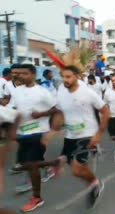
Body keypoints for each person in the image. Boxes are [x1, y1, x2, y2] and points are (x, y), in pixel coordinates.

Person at [55, 65, 109, 209]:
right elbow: (60, 112)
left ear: (77, 76)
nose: (65, 80)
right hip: (70, 135)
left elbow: (105, 111)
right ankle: (93, 183)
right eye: (63, 76)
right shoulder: (61, 92)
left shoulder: (88, 93)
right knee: (75, 168)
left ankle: (96, 183)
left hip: (87, 134)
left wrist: (98, 134)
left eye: (68, 77)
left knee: (77, 169)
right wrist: (52, 131)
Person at [11, 64, 59, 212]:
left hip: (38, 132)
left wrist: (41, 114)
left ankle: (37, 198)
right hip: (22, 132)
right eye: (20, 74)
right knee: (21, 164)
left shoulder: (42, 92)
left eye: (24, 74)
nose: (21, 76)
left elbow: (56, 108)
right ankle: (54, 163)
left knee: (32, 165)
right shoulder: (17, 91)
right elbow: (13, 109)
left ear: (32, 74)